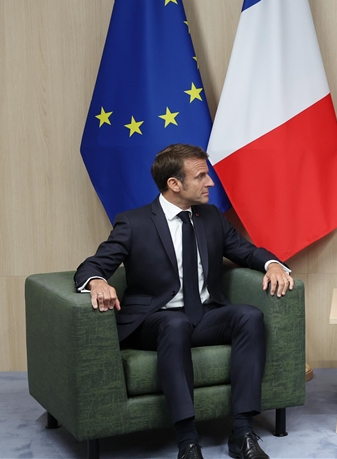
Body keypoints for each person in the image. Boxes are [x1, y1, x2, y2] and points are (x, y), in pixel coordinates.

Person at [75, 144, 294, 459]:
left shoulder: (211, 217)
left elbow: (245, 251)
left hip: (204, 316)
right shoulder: (134, 222)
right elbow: (92, 266)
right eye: (201, 176)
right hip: (153, 321)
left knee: (249, 316)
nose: (210, 182)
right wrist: (97, 282)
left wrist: (272, 265)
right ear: (174, 184)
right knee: (175, 324)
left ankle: (242, 431)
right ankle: (188, 441)